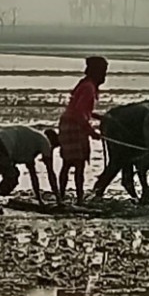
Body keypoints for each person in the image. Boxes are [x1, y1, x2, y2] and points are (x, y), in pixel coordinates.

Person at [0, 126, 60, 215]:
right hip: (4, 144)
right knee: (13, 177)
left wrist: (39, 200)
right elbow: (50, 172)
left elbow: (33, 176)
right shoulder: (45, 142)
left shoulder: (32, 144)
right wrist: (58, 199)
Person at [58, 56, 108, 205]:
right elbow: (79, 112)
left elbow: (81, 109)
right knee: (77, 164)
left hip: (69, 123)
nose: (105, 76)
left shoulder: (86, 85)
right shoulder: (88, 87)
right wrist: (91, 131)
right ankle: (78, 199)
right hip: (74, 125)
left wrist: (98, 117)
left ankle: (61, 195)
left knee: (67, 163)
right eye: (103, 72)